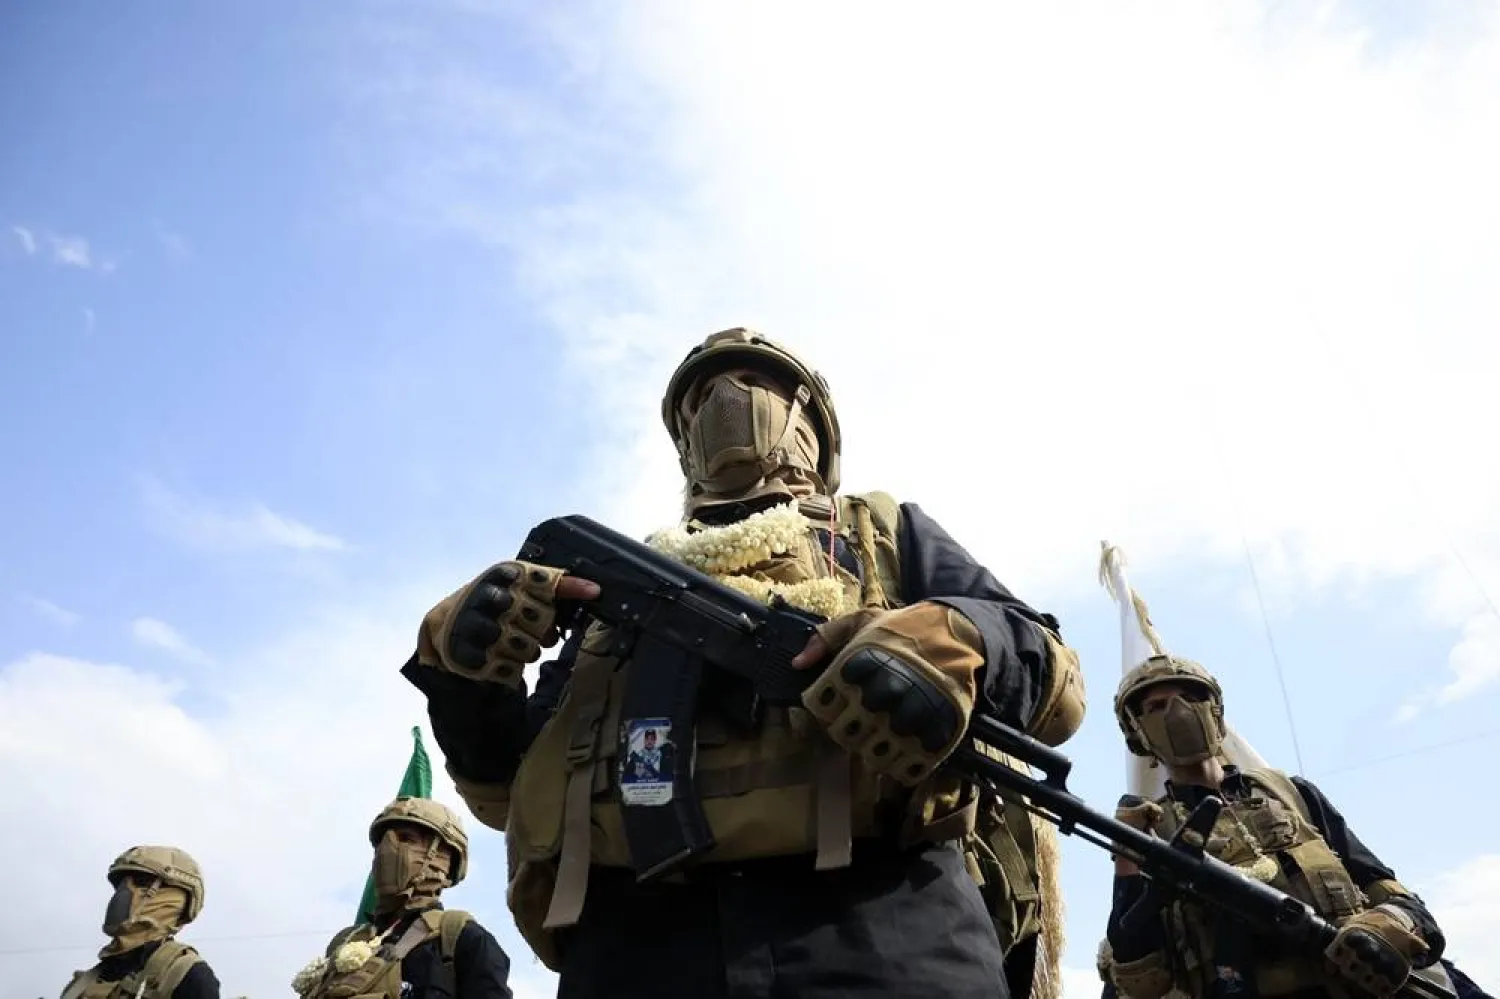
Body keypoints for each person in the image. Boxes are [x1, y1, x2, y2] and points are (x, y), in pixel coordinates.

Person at [401, 326, 1088, 999]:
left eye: (760, 381)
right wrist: (466, 678)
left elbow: (1049, 674)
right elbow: (506, 787)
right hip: (635, 944)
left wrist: (952, 638)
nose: (726, 398)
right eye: (699, 398)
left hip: (884, 927)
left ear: (814, 427)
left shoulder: (878, 533)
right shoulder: (619, 584)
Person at [1101, 654, 1450, 999]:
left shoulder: (1291, 794)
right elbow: (1136, 967)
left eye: (1191, 697)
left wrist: (1385, 927)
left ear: (1216, 711)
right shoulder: (1151, 830)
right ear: (1137, 733)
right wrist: (1127, 859)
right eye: (1156, 706)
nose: (1178, 712)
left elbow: (1394, 894)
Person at [290, 796, 513, 999]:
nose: (387, 851)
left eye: (406, 838)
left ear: (444, 857)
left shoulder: (461, 938)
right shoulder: (347, 940)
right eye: (381, 844)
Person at [59, 845, 220, 999]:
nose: (124, 892)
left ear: (180, 899)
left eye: (142, 882)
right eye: (121, 884)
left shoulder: (186, 975)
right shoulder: (81, 985)